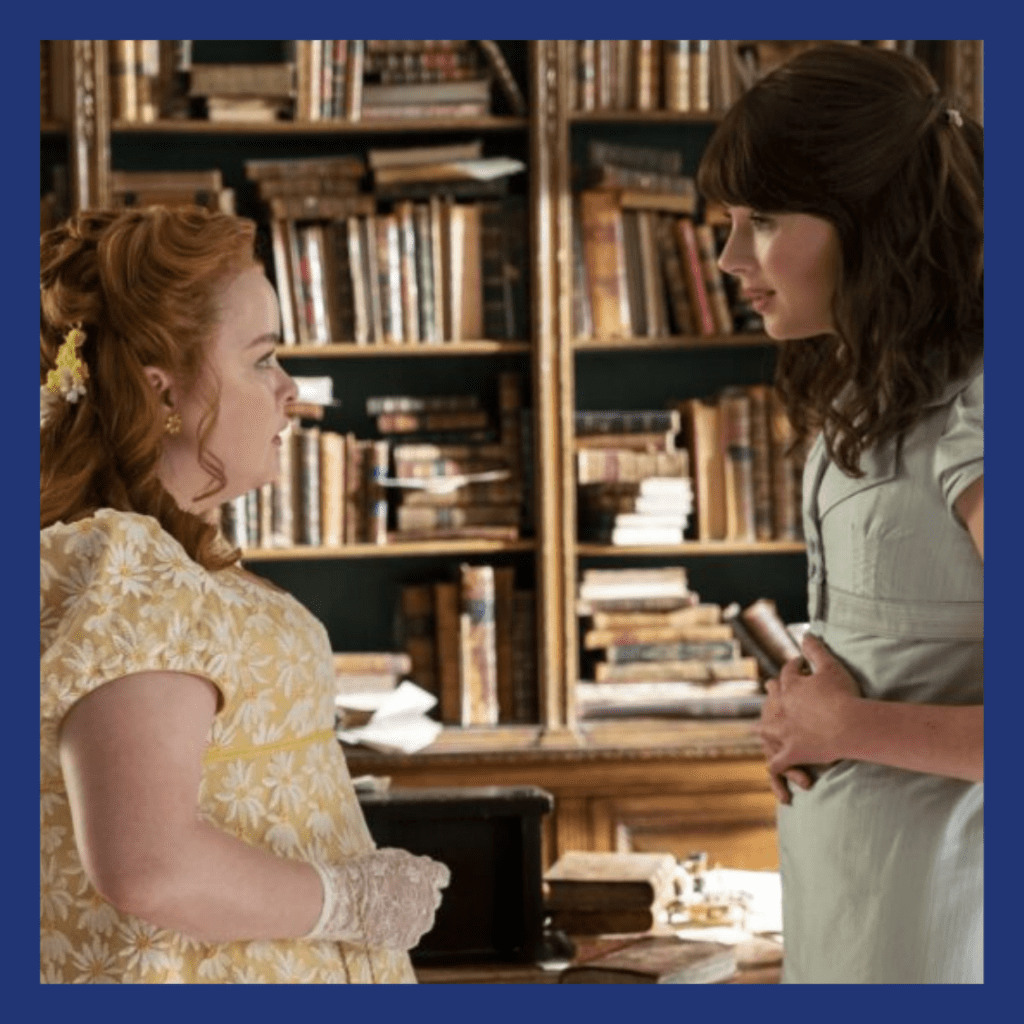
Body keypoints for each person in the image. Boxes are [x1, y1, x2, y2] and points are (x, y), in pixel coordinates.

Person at [40, 205, 450, 984]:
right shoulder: (132, 574)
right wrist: (348, 901)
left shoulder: (166, 565)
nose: (289, 390)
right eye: (262, 359)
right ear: (164, 389)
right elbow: (147, 864)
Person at [696, 43, 983, 983]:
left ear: (876, 222)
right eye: (732, 221)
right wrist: (812, 710)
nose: (732, 256)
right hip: (854, 902)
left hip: (949, 924)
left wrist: (846, 729)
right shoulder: (879, 395)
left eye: (765, 218)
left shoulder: (977, 413)